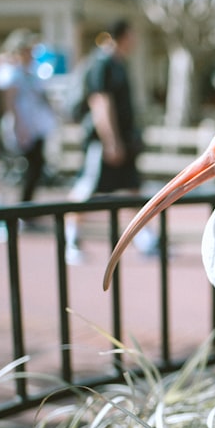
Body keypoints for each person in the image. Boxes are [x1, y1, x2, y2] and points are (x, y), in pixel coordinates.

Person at [65, 19, 153, 264]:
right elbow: (100, 102)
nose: (135, 40)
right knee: (85, 189)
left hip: (123, 140)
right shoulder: (101, 64)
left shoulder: (119, 64)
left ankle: (144, 237)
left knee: (132, 189)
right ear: (122, 36)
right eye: (132, 35)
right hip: (102, 142)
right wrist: (111, 141)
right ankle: (71, 239)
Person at [0, 28, 58, 205]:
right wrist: (18, 125)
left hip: (36, 126)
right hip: (22, 126)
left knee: (36, 166)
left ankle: (26, 205)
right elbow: (10, 102)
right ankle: (19, 206)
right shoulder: (11, 71)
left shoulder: (31, 71)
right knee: (25, 168)